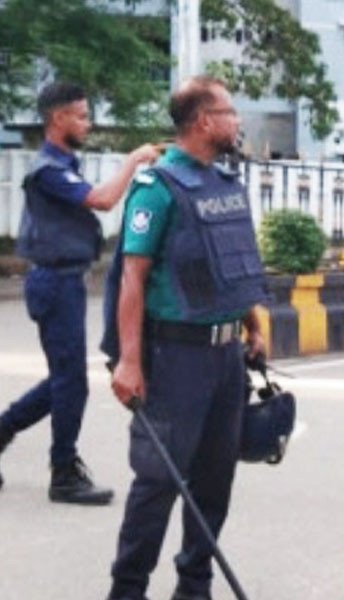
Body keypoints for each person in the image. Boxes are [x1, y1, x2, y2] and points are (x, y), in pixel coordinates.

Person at [105, 76, 269, 600]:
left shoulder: (222, 184)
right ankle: (127, 590)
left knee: (215, 482)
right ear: (203, 121)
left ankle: (193, 587)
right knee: (158, 482)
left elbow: (226, 266)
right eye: (229, 112)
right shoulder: (157, 187)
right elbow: (132, 277)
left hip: (226, 360)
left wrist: (250, 320)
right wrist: (129, 362)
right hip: (175, 357)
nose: (236, 121)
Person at [0, 82, 159, 503]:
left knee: (65, 380)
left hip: (64, 282)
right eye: (82, 116)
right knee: (71, 383)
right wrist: (134, 159)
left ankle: (5, 432)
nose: (88, 124)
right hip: (54, 283)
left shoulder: (64, 163)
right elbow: (104, 200)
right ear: (58, 119)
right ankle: (63, 472)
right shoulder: (48, 170)